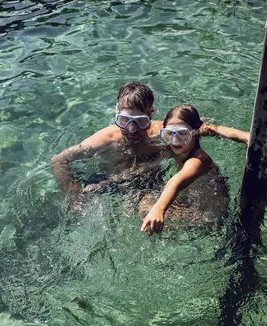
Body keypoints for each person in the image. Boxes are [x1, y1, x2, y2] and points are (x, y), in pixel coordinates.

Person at [51, 82, 249, 209]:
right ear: (116, 115)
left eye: (140, 122)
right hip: (110, 183)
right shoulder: (104, 140)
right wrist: (74, 195)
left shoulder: (163, 133)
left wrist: (246, 137)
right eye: (124, 121)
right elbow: (59, 160)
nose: (132, 130)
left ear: (151, 115)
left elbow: (208, 128)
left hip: (150, 183)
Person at [140, 104, 228, 235]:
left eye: (183, 134)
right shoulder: (175, 149)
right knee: (143, 202)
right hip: (190, 200)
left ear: (196, 133)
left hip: (208, 214)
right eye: (169, 134)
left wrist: (159, 208)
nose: (175, 140)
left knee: (147, 208)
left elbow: (177, 181)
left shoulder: (198, 160)